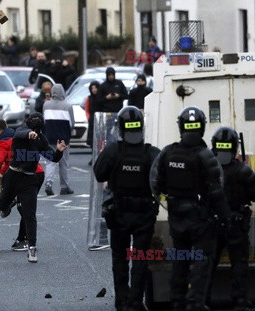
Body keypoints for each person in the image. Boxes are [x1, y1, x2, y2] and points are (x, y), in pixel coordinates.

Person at [150, 106, 228, 311]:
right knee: (201, 262)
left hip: (177, 216)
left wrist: (169, 201)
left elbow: (155, 183)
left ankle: (177, 301)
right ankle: (195, 303)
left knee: (180, 260)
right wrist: (224, 216)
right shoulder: (206, 155)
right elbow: (218, 190)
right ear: (201, 127)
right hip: (201, 218)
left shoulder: (167, 152)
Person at [94, 106, 160, 311]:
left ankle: (122, 300)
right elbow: (161, 181)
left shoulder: (113, 151)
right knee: (141, 258)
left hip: (120, 212)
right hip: (144, 213)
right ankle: (135, 301)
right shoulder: (152, 153)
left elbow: (99, 174)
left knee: (120, 257)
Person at [0, 113, 67, 262]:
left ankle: (32, 248)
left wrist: (59, 151)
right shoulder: (21, 132)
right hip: (13, 175)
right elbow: (20, 132)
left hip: (29, 179)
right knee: (1, 205)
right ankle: (10, 203)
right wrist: (29, 133)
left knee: (30, 215)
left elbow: (53, 158)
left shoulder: (42, 139)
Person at [209, 127, 255, 311]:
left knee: (208, 265)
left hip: (213, 224)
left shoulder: (208, 170)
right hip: (236, 225)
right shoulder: (243, 171)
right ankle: (240, 301)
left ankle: (201, 299)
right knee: (239, 264)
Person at [0, 119, 45, 252]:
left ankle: (24, 239)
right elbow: (9, 165)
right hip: (37, 172)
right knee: (25, 208)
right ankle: (22, 238)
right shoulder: (16, 138)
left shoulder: (3, 143)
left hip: (26, 175)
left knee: (24, 209)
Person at [43, 83, 74, 195]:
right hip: (63, 139)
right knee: (63, 163)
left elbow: (44, 121)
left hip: (49, 137)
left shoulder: (46, 105)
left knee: (50, 162)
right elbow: (72, 124)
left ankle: (48, 183)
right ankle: (64, 187)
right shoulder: (68, 106)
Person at [84, 81, 102, 165]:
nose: (94, 90)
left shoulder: (101, 98)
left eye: (95, 88)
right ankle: (93, 157)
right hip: (91, 122)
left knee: (100, 140)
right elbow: (87, 109)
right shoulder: (89, 98)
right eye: (92, 88)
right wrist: (89, 118)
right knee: (92, 142)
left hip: (100, 121)